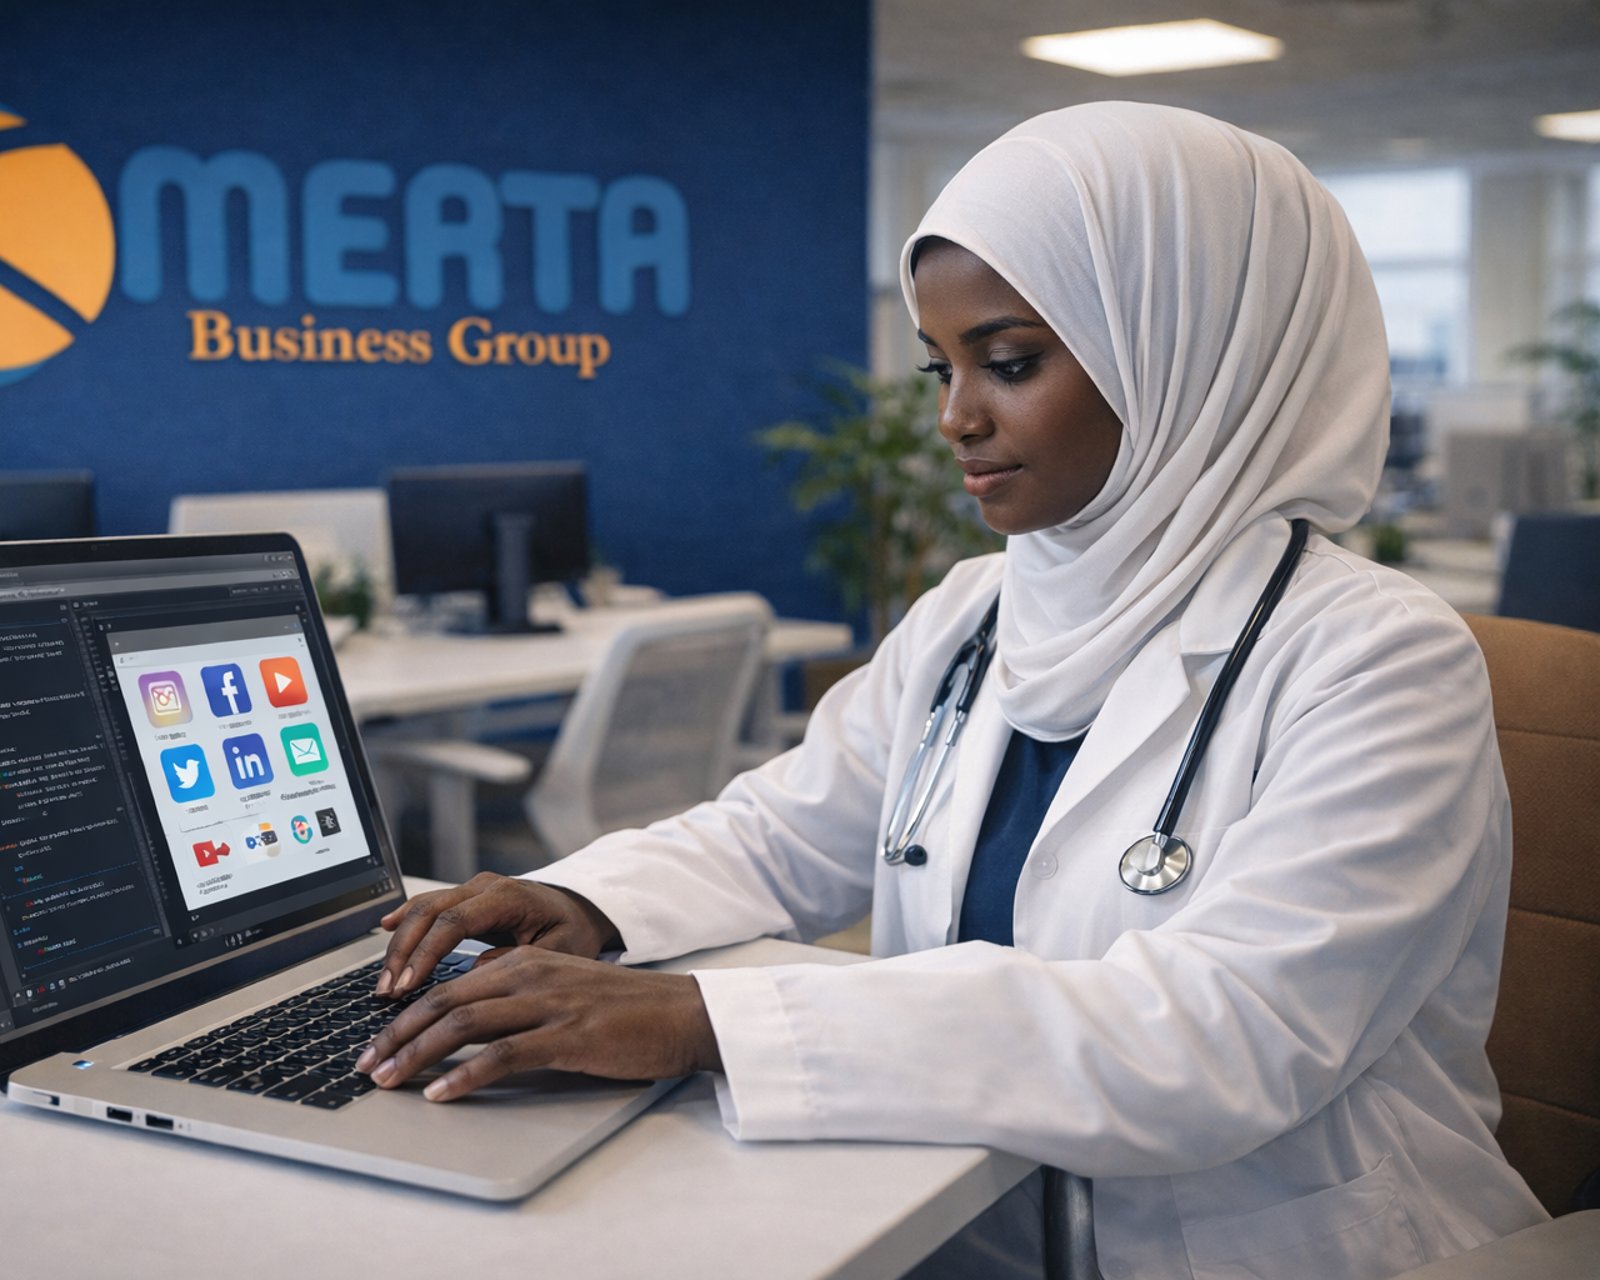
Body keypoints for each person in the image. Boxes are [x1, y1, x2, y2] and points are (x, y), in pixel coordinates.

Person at [353, 102, 1548, 1277]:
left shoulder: (1376, 657)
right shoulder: (978, 612)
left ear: (1184, 353)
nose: (955, 418)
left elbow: (1222, 1039)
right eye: (942, 366)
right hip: (947, 1212)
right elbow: (785, 830)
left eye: (1010, 362)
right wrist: (588, 902)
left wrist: (700, 1017)